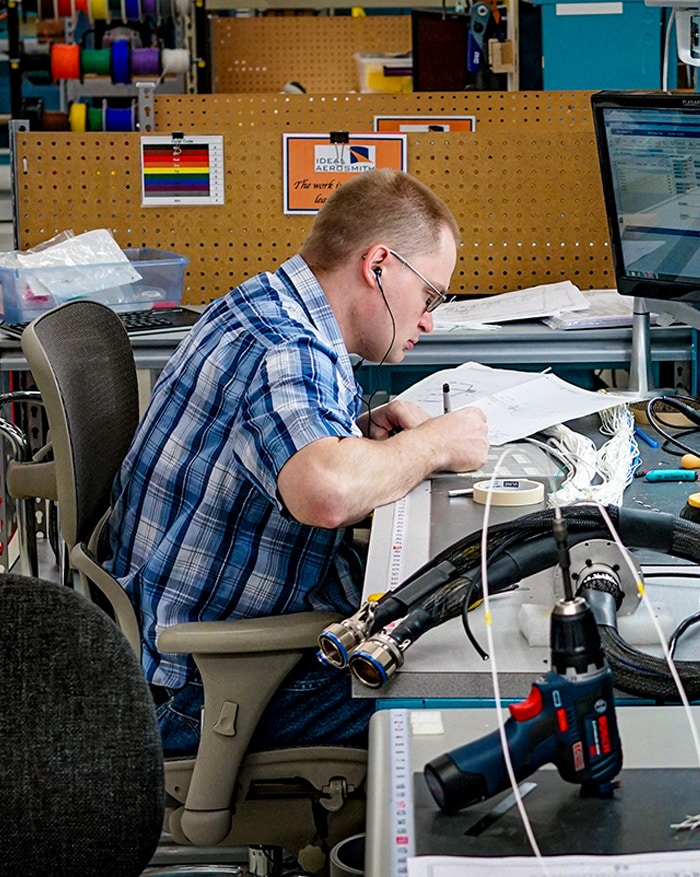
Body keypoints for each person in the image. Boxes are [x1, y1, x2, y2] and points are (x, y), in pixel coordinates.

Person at [103, 168, 489, 757]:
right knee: (468, 687)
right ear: (378, 266)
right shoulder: (288, 344)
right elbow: (326, 493)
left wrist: (358, 436)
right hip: (210, 686)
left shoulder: (260, 303)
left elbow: (266, 447)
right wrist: (435, 444)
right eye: (430, 296)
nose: (429, 321)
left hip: (170, 646)